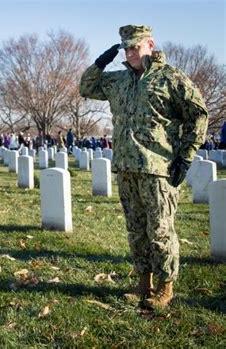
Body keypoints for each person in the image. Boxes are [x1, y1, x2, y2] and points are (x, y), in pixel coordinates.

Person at [79, 25, 208, 309]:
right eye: (125, 48)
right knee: (136, 230)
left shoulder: (170, 78)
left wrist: (186, 154)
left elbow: (198, 114)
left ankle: (165, 287)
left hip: (158, 168)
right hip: (126, 166)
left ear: (150, 44)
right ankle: (143, 283)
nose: (130, 53)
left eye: (135, 47)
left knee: (160, 230)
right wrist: (100, 63)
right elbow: (86, 88)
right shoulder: (119, 80)